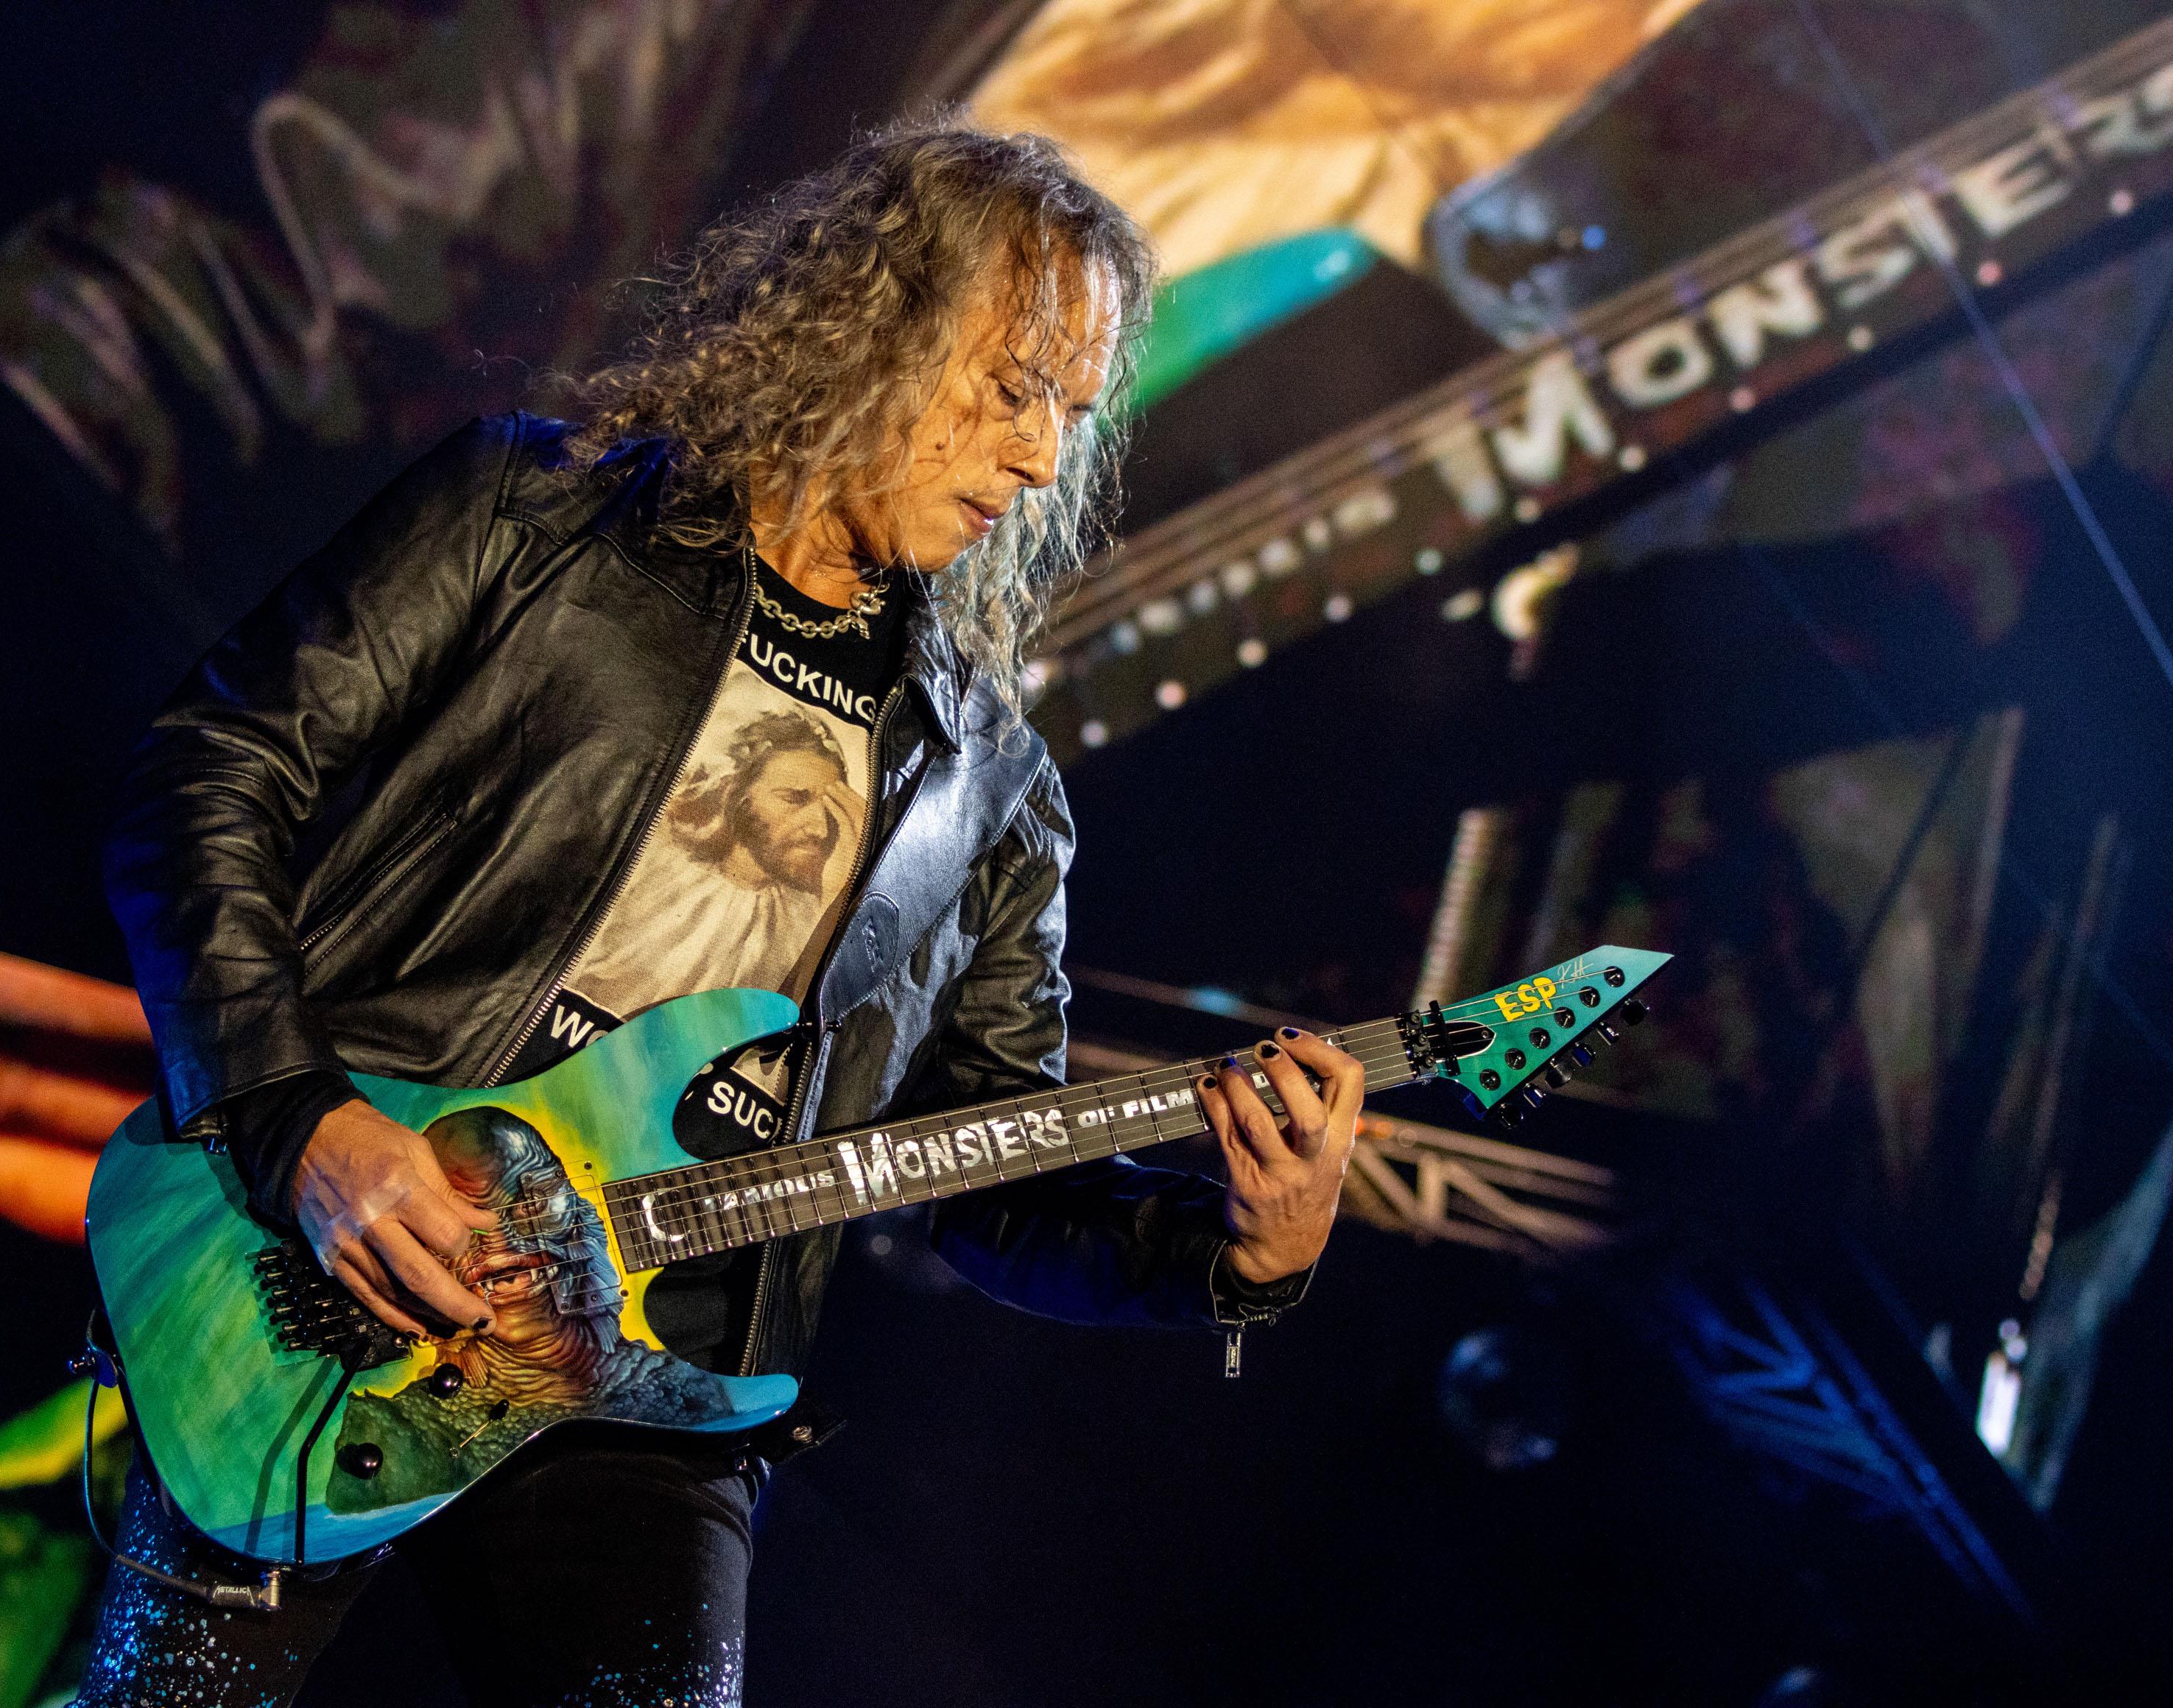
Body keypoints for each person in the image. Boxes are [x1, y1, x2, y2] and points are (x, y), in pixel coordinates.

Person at [85, 117, 1364, 1708]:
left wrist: (1236, 1251)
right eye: (1012, 387)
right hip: (345, 1256)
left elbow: (990, 1168)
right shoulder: (532, 519)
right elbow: (206, 776)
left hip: (656, 1376)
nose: (1043, 459)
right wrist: (296, 1117)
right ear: (882, 324)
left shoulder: (990, 790)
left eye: (1070, 413)